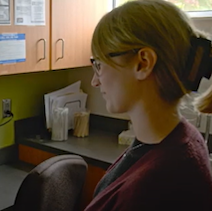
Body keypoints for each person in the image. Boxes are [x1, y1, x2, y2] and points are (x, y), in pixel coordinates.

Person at [85, 0, 212, 210]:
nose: (95, 81)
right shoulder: (180, 138)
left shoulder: (153, 188)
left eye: (99, 64)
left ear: (143, 63)